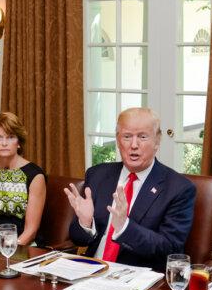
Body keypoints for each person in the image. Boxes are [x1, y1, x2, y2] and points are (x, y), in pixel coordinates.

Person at [65, 107, 195, 272]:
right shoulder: (97, 175)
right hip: (92, 270)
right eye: (127, 137)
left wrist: (125, 227)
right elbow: (78, 239)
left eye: (142, 137)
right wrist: (85, 223)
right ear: (118, 140)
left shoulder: (178, 188)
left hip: (138, 279)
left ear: (157, 141)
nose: (134, 145)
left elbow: (169, 249)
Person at [0, 112, 46, 245]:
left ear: (18, 142)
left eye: (10, 137)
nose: (4, 143)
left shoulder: (35, 176)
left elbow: (31, 230)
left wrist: (6, 250)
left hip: (26, 246)